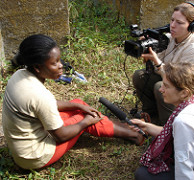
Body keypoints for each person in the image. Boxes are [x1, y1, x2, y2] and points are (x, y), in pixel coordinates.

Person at [2, 34, 144, 170]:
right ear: (37, 67)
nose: (61, 66)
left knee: (78, 104)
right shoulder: (38, 95)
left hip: (24, 149)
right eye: (54, 63)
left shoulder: (20, 75)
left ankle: (122, 127)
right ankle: (134, 134)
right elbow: (61, 135)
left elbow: (48, 104)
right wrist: (85, 122)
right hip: (36, 156)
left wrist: (78, 105)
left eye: (59, 60)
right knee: (83, 116)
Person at [131, 62, 194, 180]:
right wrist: (146, 126)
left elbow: (184, 164)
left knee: (142, 175)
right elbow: (170, 132)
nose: (161, 90)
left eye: (166, 86)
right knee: (158, 139)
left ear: (184, 92)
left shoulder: (185, 121)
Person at [132, 2, 194, 126]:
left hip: (188, 91)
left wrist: (157, 62)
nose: (172, 25)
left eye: (179, 23)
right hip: (169, 80)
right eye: (172, 20)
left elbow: (179, 81)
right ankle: (152, 113)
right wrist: (147, 47)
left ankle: (168, 126)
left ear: (191, 26)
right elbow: (157, 69)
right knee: (140, 76)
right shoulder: (169, 38)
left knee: (161, 87)